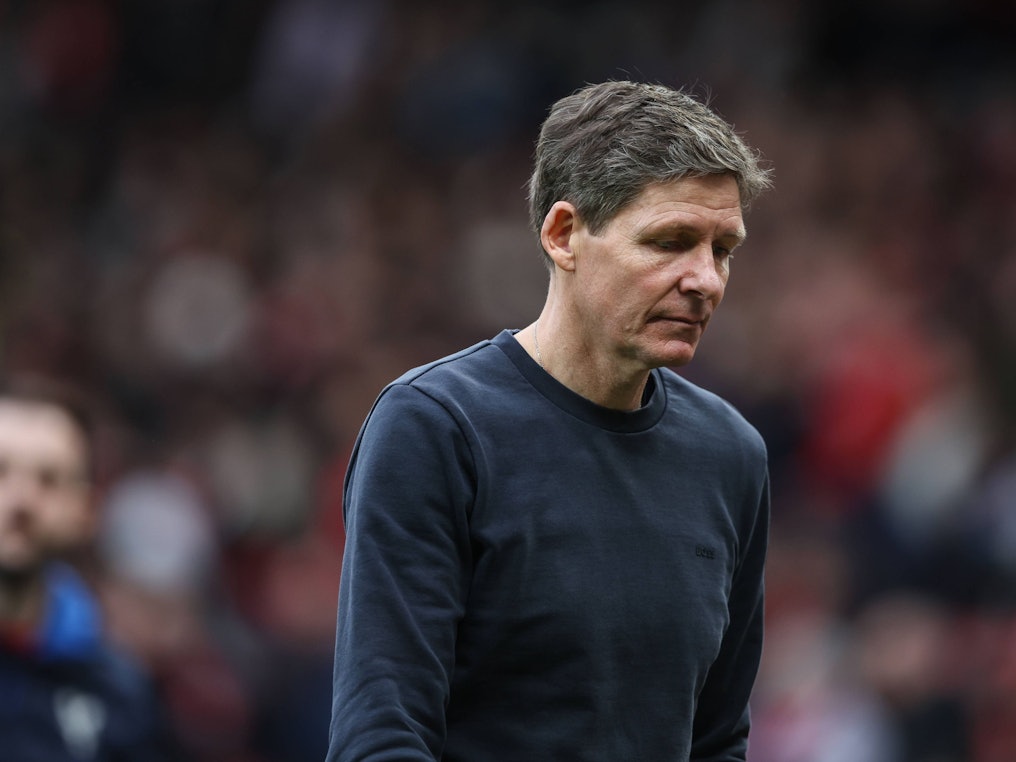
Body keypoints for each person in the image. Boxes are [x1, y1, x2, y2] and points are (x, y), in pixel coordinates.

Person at [328, 80, 773, 761]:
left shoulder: (731, 455)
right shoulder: (436, 428)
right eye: (671, 241)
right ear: (565, 234)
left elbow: (717, 742)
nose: (705, 279)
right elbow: (383, 737)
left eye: (722, 249)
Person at [0, 377, 172, 761]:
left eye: (48, 480)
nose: (21, 499)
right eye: (0, 471)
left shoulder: (119, 692)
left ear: (86, 511)